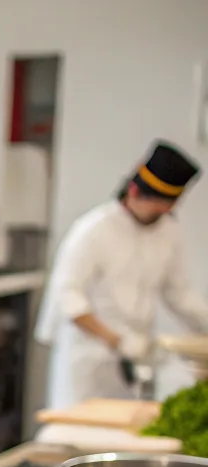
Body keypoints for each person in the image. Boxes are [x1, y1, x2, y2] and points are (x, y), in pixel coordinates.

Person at [37, 140, 208, 408]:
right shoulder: (94, 230)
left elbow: (179, 292)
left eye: (168, 206)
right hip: (88, 360)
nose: (163, 212)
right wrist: (116, 340)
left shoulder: (168, 232)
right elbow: (68, 296)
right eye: (157, 204)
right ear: (134, 191)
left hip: (133, 363)